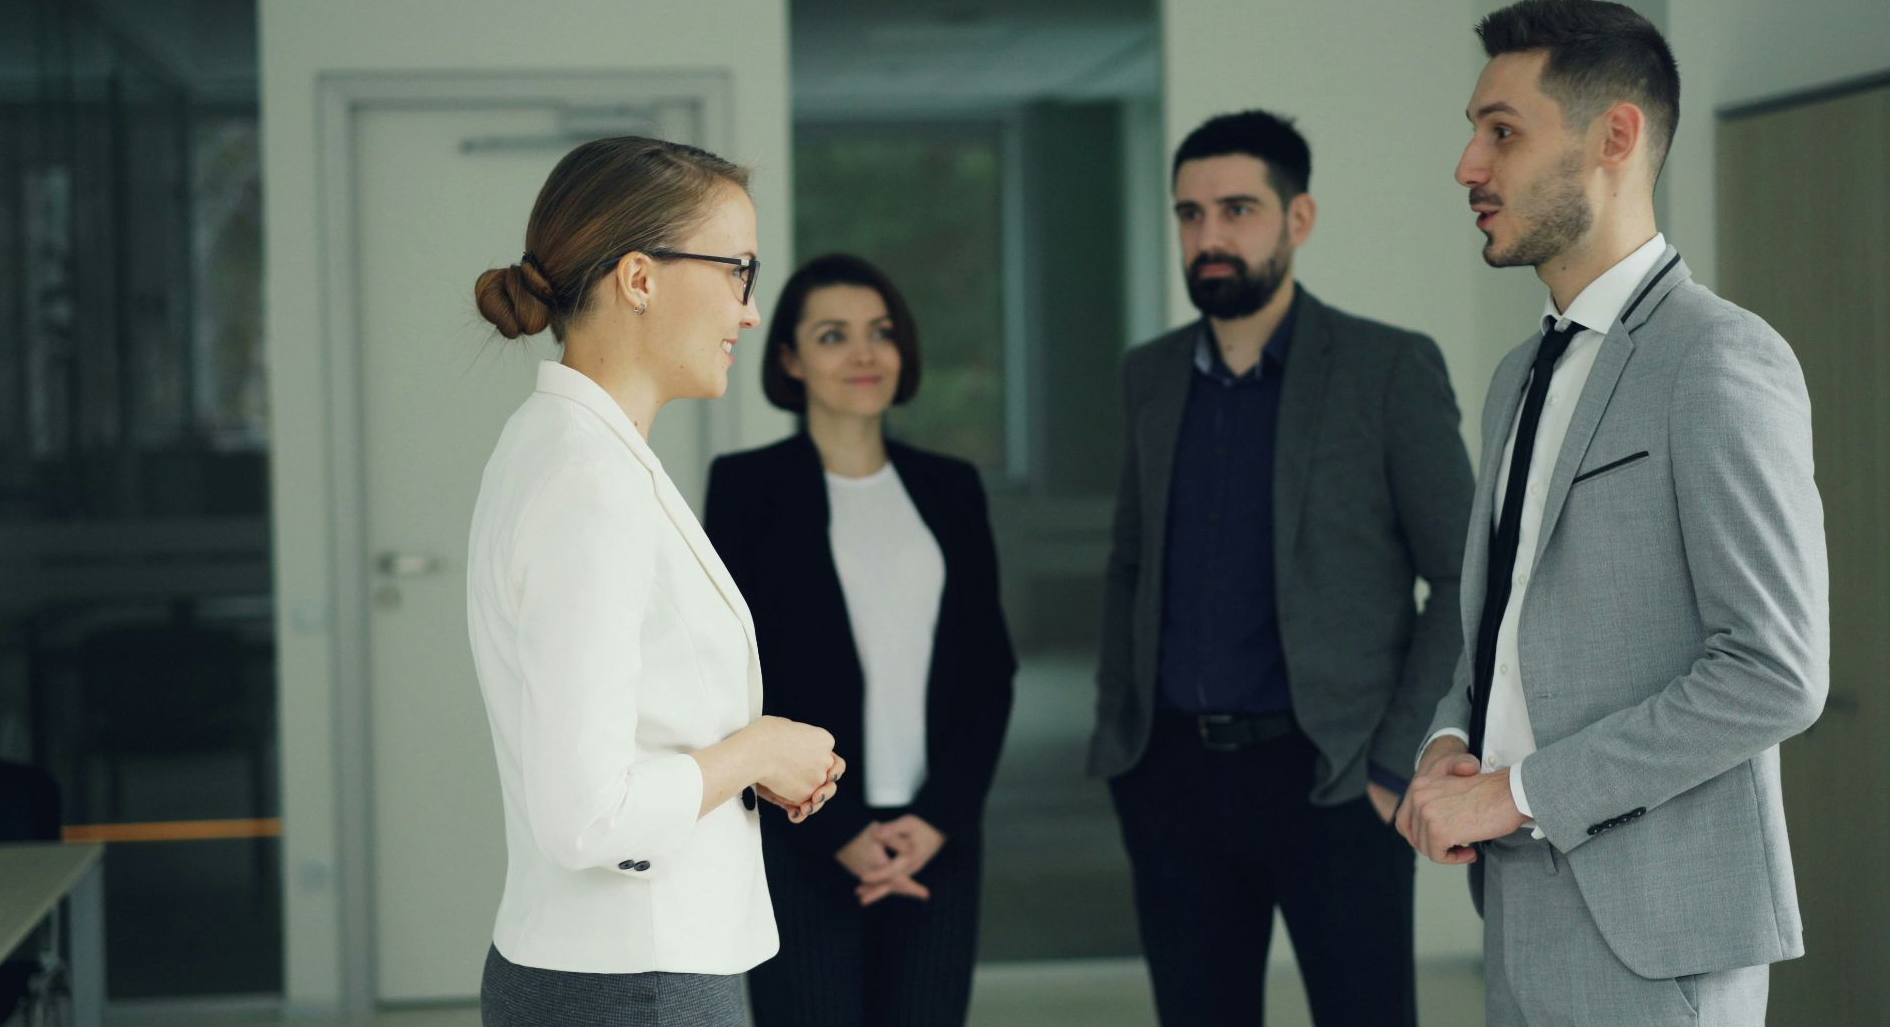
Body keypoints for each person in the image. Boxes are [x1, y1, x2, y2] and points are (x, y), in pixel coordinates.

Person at [1396, 0, 1829, 1026]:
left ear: (1615, 137)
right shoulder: (1516, 377)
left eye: (1502, 132)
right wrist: (1447, 745)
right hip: (1516, 902)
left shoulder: (1719, 360)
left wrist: (1517, 791)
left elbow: (1774, 673)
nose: (1468, 166)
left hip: (1660, 933)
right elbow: (1497, 631)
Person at [1088, 110, 1474, 1026]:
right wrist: (1122, 740)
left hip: (1334, 776)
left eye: (1237, 210)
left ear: (1298, 219)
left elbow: (1465, 576)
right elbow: (1131, 560)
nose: (1209, 237)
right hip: (1173, 776)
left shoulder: (1385, 368)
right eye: (1190, 214)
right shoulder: (1150, 376)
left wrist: (1394, 761)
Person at [464, 136, 847, 1027]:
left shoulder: (567, 448)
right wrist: (755, 752)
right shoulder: (585, 481)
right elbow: (588, 816)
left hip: (613, 968)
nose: (750, 313)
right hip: (634, 985)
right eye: (739, 272)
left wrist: (757, 754)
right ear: (639, 278)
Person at [704, 253, 1017, 1027]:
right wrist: (839, 830)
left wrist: (940, 817)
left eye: (880, 332)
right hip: (805, 831)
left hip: (935, 837)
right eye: (834, 335)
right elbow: (732, 675)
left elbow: (989, 669)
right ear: (789, 358)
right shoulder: (747, 488)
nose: (865, 353)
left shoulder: (950, 488)